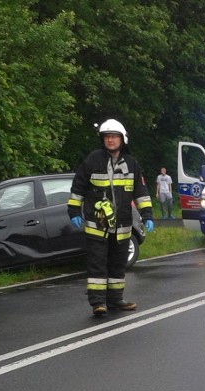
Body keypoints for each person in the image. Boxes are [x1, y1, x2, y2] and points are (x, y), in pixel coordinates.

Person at [68, 119, 154, 317]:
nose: (111, 140)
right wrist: (73, 212)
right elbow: (78, 188)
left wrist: (147, 214)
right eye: (107, 137)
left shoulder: (132, 164)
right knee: (98, 263)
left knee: (118, 263)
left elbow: (141, 192)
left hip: (123, 225)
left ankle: (115, 300)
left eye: (114, 136)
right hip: (97, 224)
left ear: (122, 139)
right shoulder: (93, 160)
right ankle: (98, 303)